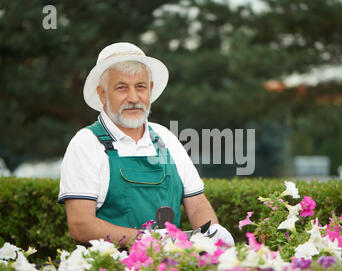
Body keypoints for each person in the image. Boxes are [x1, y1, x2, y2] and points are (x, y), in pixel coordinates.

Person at [58, 42, 234, 247]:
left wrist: (212, 239)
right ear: (103, 93)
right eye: (121, 87)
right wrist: (147, 241)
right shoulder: (86, 143)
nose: (133, 98)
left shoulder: (165, 138)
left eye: (140, 86)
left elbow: (197, 205)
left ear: (150, 89)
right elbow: (81, 225)